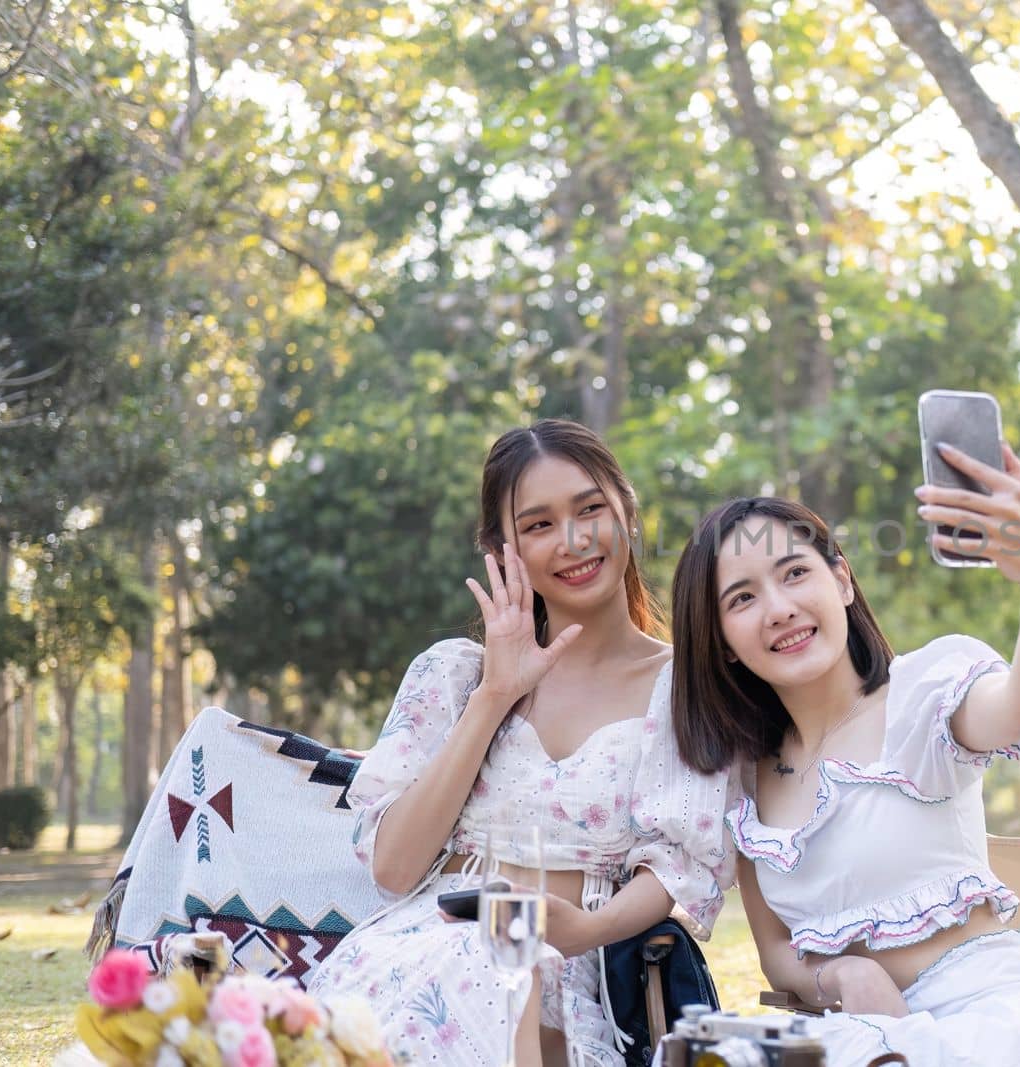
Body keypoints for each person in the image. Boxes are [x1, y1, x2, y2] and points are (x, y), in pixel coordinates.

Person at [668, 440, 1020, 1067]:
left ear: (842, 580)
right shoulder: (746, 779)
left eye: (795, 573)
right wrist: (843, 978)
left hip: (999, 1020)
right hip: (859, 1032)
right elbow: (777, 954)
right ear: (721, 642)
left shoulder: (922, 697)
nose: (779, 609)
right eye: (742, 598)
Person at [309, 419, 735, 1067]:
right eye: (538, 525)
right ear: (500, 549)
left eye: (590, 508)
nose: (573, 540)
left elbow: (678, 862)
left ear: (628, 511)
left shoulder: (683, 688)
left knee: (513, 976)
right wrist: (495, 696)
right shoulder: (455, 676)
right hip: (426, 948)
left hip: (571, 965)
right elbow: (394, 868)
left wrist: (589, 929)